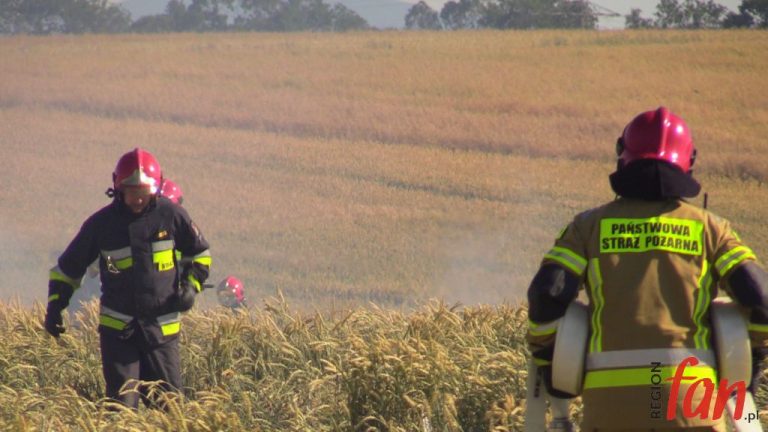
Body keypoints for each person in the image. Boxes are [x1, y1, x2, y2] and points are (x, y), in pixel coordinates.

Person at [526, 107, 768, 431]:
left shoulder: (588, 228)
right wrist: (749, 364)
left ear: (622, 156)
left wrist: (549, 365)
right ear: (688, 161)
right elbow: (762, 300)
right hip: (692, 408)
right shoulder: (711, 229)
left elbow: (546, 296)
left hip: (611, 411)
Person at [44, 148, 212, 409]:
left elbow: (200, 254)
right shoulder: (100, 225)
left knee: (171, 411)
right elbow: (67, 269)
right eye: (132, 192)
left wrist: (191, 287)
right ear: (117, 187)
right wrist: (55, 306)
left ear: (156, 188)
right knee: (121, 411)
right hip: (118, 335)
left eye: (143, 193)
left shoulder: (172, 215)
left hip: (161, 335)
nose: (137, 200)